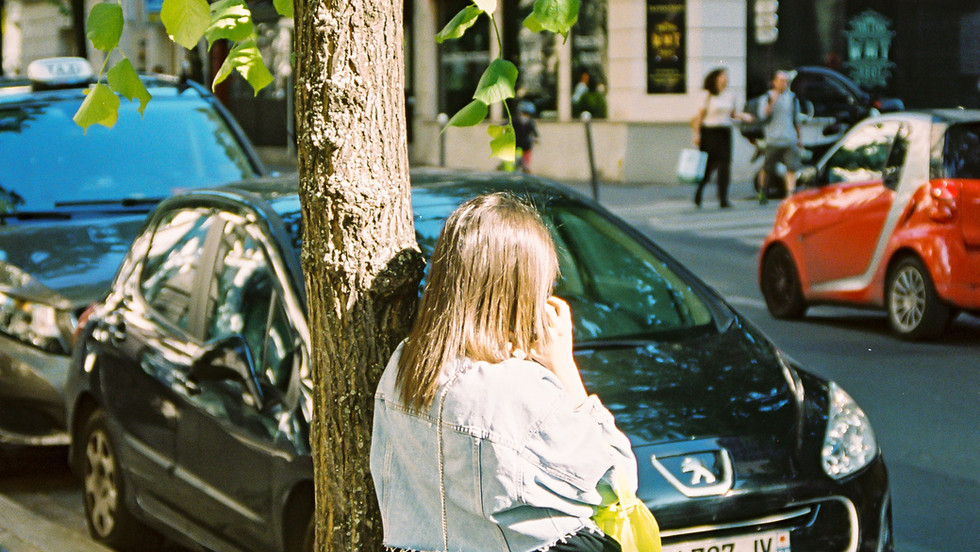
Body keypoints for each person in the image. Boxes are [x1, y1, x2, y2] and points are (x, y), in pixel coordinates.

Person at [370, 193, 638, 552]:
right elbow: (615, 483)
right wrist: (564, 367)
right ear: (520, 292)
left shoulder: (403, 366)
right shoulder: (519, 388)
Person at [690, 67, 753, 208]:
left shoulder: (730, 95)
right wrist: (696, 134)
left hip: (724, 131)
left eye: (726, 76)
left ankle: (723, 198)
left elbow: (732, 114)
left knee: (725, 165)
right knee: (708, 166)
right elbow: (699, 117)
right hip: (709, 132)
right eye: (722, 76)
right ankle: (699, 192)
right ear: (715, 78)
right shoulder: (706, 95)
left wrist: (743, 116)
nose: (725, 78)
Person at [757, 69, 803, 201]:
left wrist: (800, 137)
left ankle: (790, 193)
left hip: (789, 139)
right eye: (781, 81)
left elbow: (796, 119)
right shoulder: (766, 97)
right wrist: (772, 101)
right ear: (774, 82)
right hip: (773, 139)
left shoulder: (792, 98)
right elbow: (763, 115)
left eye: (786, 81)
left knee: (791, 167)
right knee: (767, 168)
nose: (784, 84)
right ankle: (762, 191)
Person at [513, 100, 539, 173]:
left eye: (527, 115)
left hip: (526, 144)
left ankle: (526, 168)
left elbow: (534, 131)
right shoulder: (514, 121)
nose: (525, 117)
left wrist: (536, 138)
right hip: (516, 144)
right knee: (515, 158)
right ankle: (516, 166)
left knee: (526, 159)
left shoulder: (530, 123)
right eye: (524, 114)